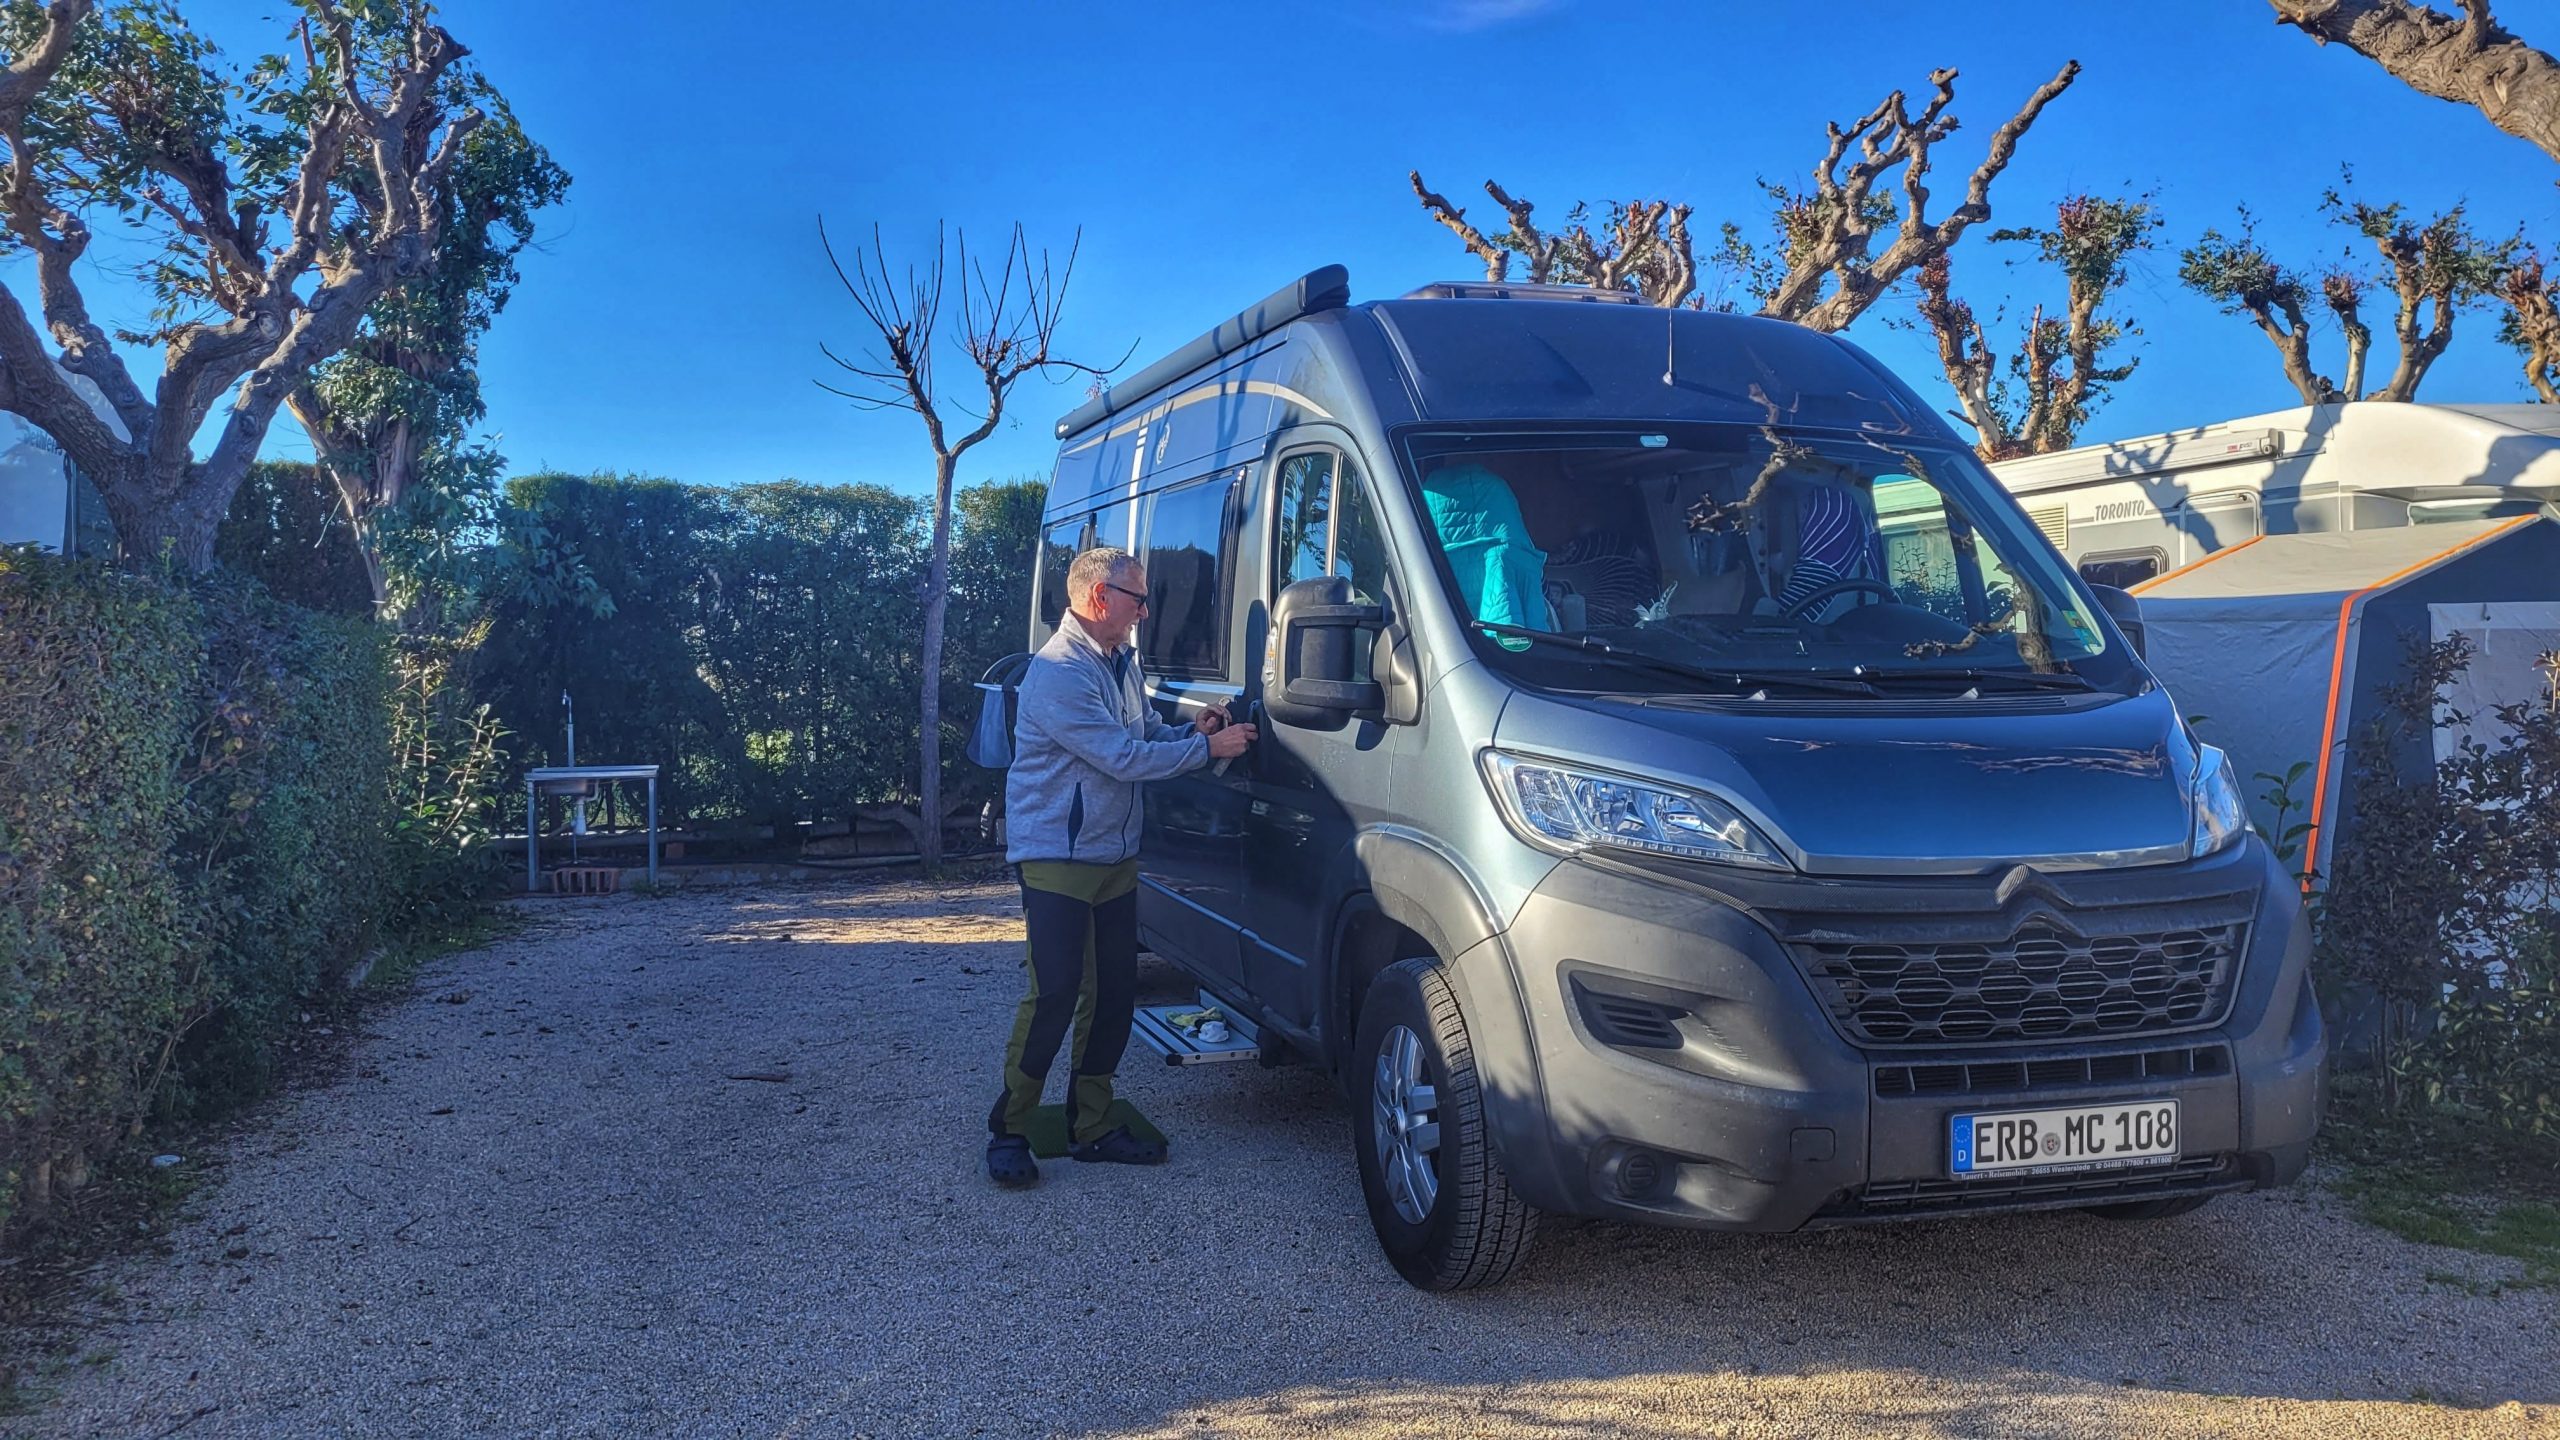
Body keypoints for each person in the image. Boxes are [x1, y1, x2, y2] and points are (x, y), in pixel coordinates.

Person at [986, 546, 1255, 1188]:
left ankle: (1093, 1125)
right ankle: (1010, 1130)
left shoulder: (1117, 662)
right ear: (1100, 597)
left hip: (1113, 854)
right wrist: (1209, 751)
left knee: (1112, 995)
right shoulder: (1059, 671)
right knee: (1055, 994)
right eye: (1138, 598)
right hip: (1058, 859)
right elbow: (1121, 758)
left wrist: (1193, 732)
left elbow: (1145, 734)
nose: (1146, 611)